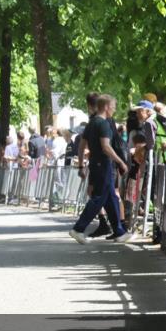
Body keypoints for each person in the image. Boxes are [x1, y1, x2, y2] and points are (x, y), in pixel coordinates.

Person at [70, 94, 132, 244]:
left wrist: (81, 165)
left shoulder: (91, 123)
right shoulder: (103, 124)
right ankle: (78, 229)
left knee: (111, 198)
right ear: (106, 106)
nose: (114, 110)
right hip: (103, 164)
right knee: (99, 198)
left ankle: (119, 231)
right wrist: (120, 162)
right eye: (113, 107)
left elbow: (81, 145)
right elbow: (106, 146)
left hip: (95, 163)